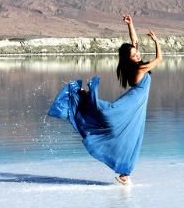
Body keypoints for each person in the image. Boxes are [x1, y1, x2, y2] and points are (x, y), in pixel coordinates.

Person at [48, 15, 163, 185]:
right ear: (129, 59)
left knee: (132, 135)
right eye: (134, 54)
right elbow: (160, 59)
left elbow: (134, 41)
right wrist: (157, 42)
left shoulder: (135, 65)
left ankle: (125, 174)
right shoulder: (140, 69)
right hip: (133, 103)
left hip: (138, 104)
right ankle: (81, 96)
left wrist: (130, 25)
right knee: (111, 114)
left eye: (136, 52)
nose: (138, 54)